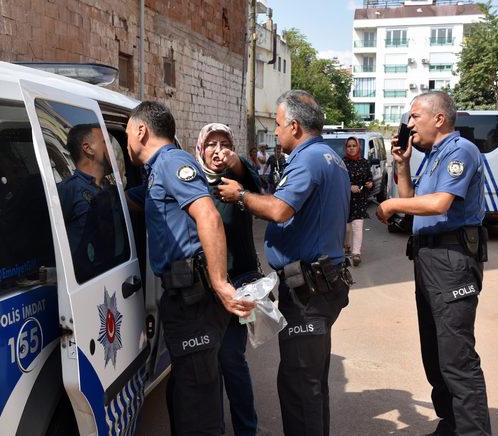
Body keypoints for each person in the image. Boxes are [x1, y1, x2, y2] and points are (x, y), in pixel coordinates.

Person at [219, 90, 351, 436]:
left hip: (308, 290)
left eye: (278, 125)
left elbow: (279, 210)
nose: (275, 133)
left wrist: (241, 196)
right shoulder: (329, 157)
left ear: (294, 126)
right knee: (311, 381)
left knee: (299, 385)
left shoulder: (308, 159)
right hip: (320, 283)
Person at [125, 102, 255, 436]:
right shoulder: (159, 168)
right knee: (186, 389)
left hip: (194, 297)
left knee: (198, 398)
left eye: (126, 132)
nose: (126, 141)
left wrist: (221, 283)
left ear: (141, 130)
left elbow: (208, 216)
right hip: (182, 294)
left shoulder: (172, 162)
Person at [376, 91, 491, 436]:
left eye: (415, 117)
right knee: (435, 351)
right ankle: (451, 424)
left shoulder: (460, 151)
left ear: (438, 119)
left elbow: (439, 203)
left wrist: (392, 205)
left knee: (456, 357)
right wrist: (401, 164)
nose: (409, 124)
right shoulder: (432, 156)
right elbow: (414, 199)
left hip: (452, 259)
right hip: (428, 257)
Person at [194, 122, 261, 436]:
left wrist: (238, 164)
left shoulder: (239, 183)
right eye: (211, 144)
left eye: (224, 143)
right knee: (206, 366)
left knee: (232, 360)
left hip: (239, 287)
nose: (217, 150)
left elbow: (260, 190)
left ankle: (246, 430)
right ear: (200, 148)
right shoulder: (192, 185)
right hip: (205, 290)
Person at [57, 124, 124, 282]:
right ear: (88, 148)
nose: (111, 149)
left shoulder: (113, 190)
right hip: (88, 285)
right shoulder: (69, 190)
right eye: (105, 142)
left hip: (117, 275)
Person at [343, 136, 373, 266]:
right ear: (346, 148)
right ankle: (346, 245)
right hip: (345, 199)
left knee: (357, 226)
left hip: (360, 200)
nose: (351, 148)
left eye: (354, 146)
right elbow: (337, 181)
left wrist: (369, 183)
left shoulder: (364, 162)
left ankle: (356, 253)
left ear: (358, 147)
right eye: (349, 146)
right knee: (347, 228)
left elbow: (369, 177)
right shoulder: (341, 163)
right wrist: (349, 187)